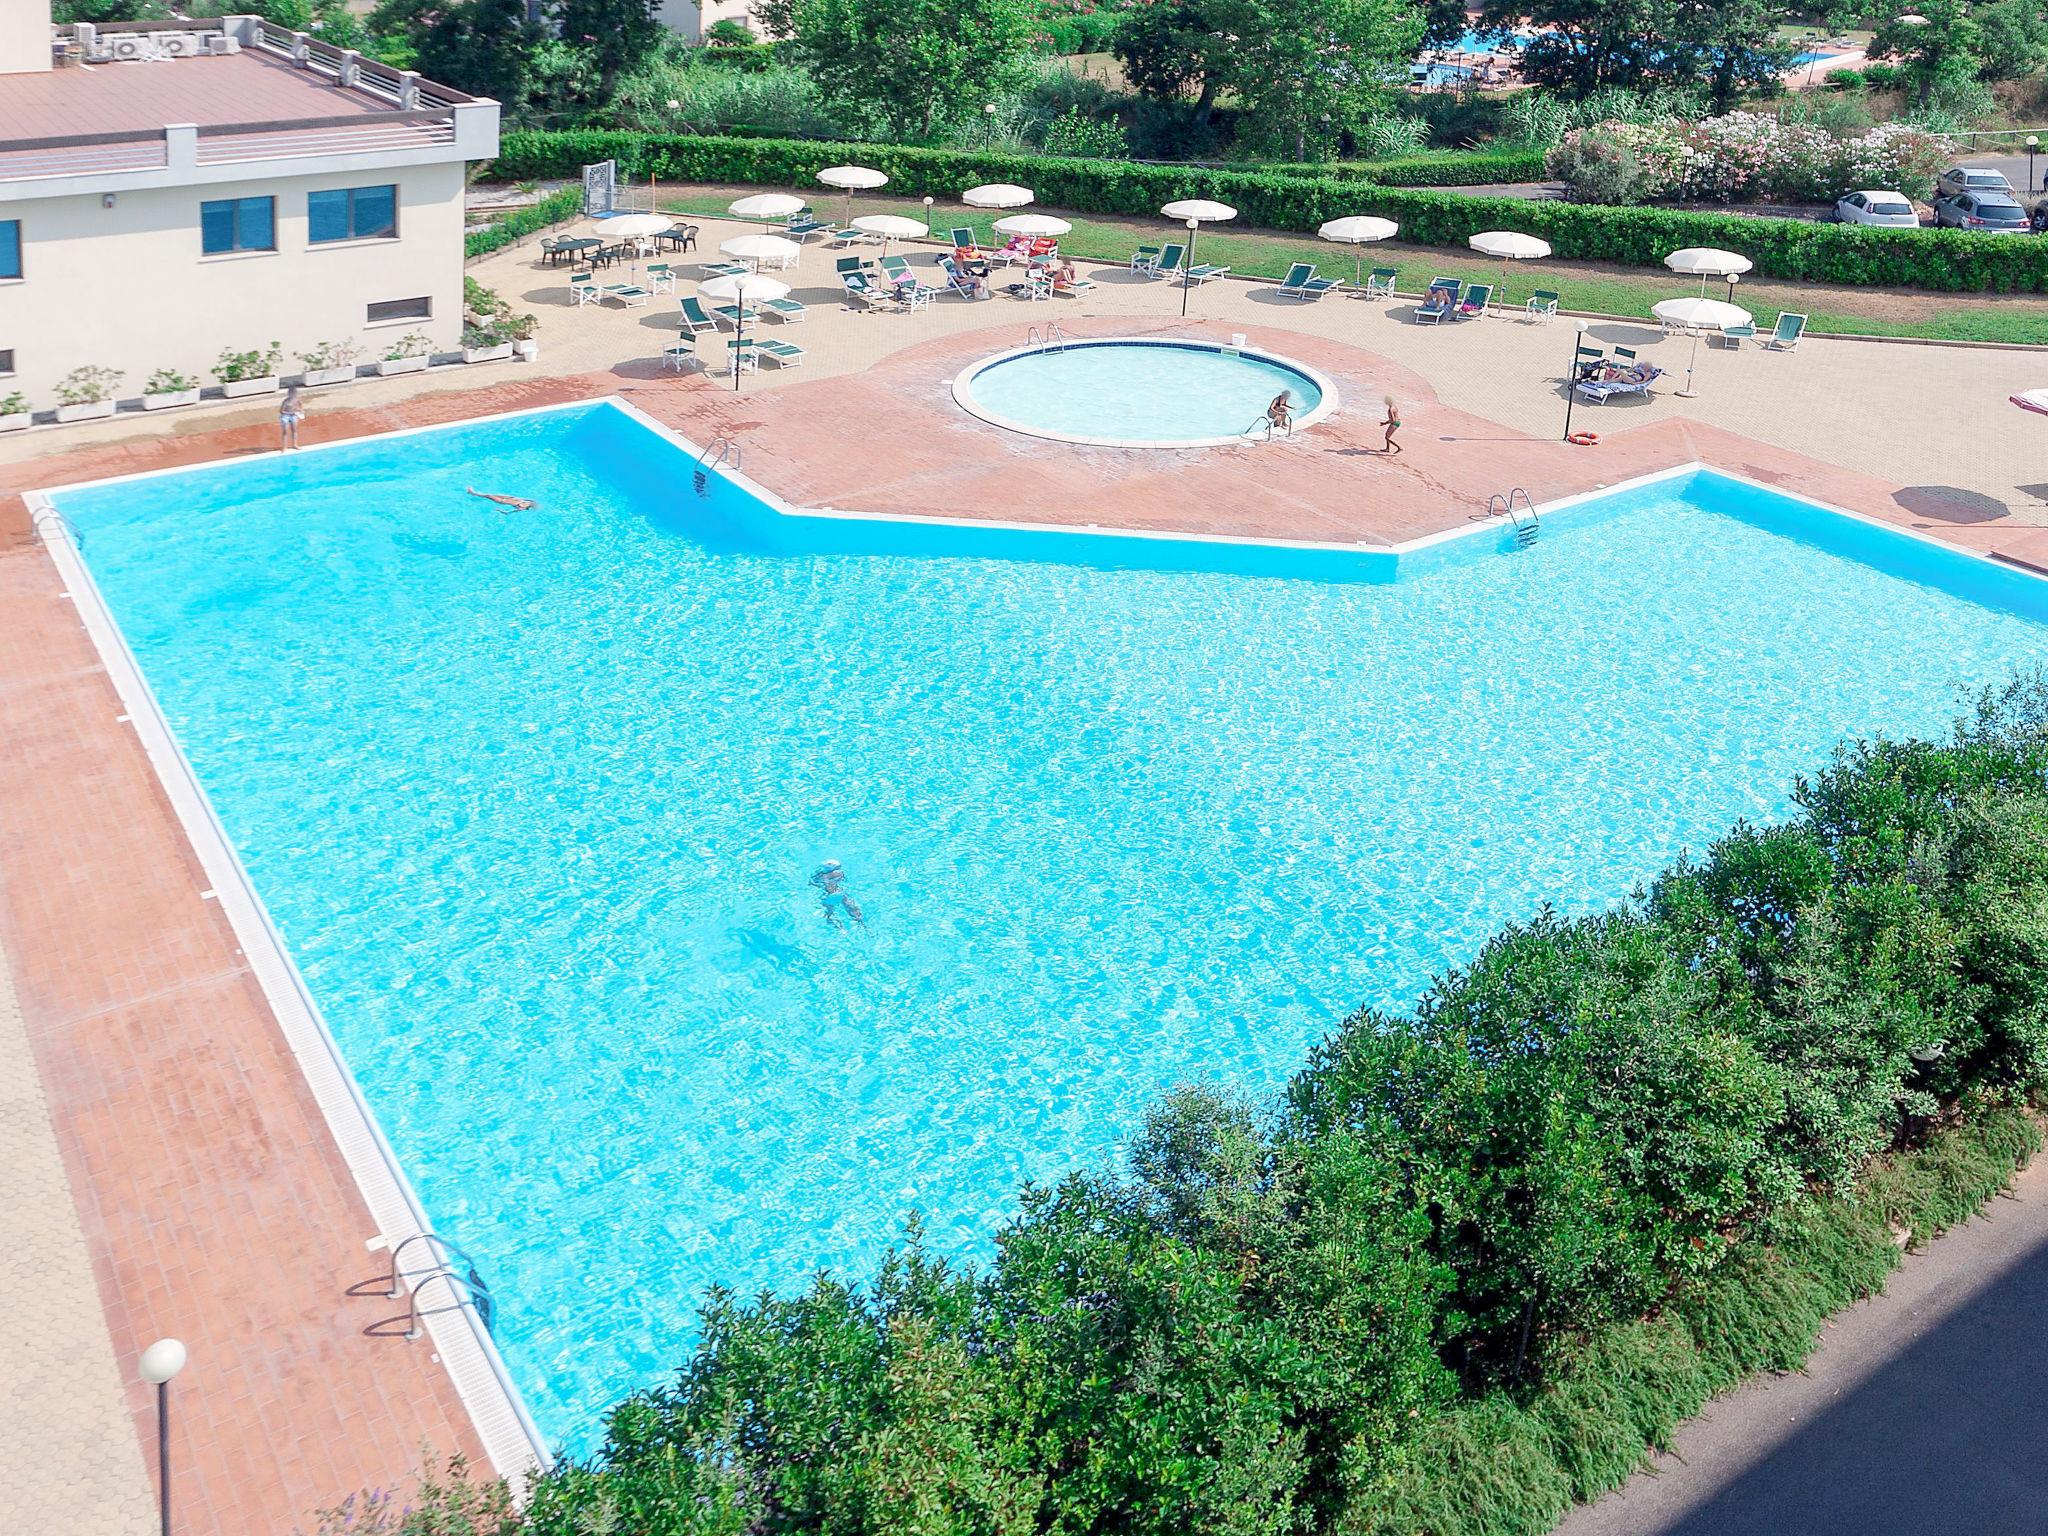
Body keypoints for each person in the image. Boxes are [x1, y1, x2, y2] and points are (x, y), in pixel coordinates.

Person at [810, 860, 865, 929]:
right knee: (831, 913)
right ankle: (855, 926)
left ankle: (857, 925)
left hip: (831, 895)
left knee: (831, 913)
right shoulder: (826, 878)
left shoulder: (824, 879)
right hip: (830, 895)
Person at [466, 487, 536, 512]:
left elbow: (510, 512)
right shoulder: (529, 501)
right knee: (490, 494)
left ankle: (472, 492)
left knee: (488, 495)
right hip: (509, 497)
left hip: (502, 501)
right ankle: (474, 493)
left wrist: (501, 511)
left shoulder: (523, 508)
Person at [278, 386, 304, 451]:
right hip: (286, 416)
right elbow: (281, 411)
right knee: (285, 431)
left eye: (294, 393)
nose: (293, 394)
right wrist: (288, 413)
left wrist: (299, 411)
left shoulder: (297, 400)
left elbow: (301, 407)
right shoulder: (286, 401)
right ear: (289, 393)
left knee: (294, 430)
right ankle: (284, 447)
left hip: (293, 415)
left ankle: (295, 444)